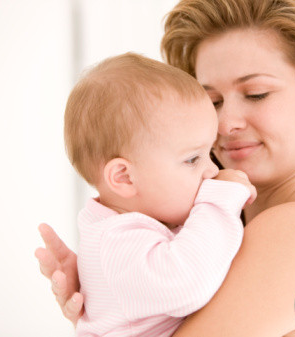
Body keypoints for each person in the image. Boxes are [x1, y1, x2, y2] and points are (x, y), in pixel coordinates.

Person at [35, 0, 295, 336]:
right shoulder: (230, 234)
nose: (225, 125)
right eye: (212, 101)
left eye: (256, 93)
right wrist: (116, 295)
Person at [61, 52, 256, 336]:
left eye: (209, 153)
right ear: (124, 178)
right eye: (193, 159)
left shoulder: (131, 229)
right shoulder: (117, 244)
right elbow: (188, 282)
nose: (212, 171)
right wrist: (220, 199)